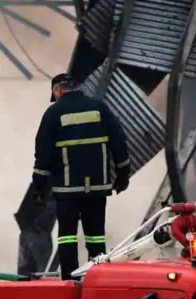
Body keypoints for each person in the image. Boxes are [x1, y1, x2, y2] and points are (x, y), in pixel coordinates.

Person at [31, 73, 131, 280]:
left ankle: (71, 281)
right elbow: (119, 144)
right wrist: (122, 177)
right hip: (96, 188)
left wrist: (38, 186)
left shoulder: (54, 113)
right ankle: (98, 279)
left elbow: (43, 153)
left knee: (67, 238)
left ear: (58, 90)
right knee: (96, 237)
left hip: (67, 190)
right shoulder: (99, 108)